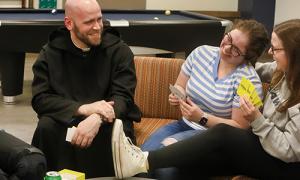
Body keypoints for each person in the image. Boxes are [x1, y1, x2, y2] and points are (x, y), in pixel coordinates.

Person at [111, 19, 300, 179]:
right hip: (256, 142)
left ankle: (143, 160)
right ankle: (141, 162)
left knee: (218, 136)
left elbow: (287, 151)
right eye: (228, 39)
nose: (270, 54)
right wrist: (239, 64)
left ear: (294, 55)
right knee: (161, 165)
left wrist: (256, 119)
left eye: (275, 49)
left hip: (281, 163)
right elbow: (258, 69)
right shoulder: (281, 71)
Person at [141, 19, 269, 179]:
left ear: (248, 56)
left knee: (165, 165)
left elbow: (239, 127)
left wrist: (201, 117)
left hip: (212, 138)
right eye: (228, 38)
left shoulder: (248, 80)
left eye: (236, 49)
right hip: (183, 124)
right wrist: (177, 95)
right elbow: (180, 85)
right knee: (142, 158)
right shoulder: (201, 53)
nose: (226, 47)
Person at [31, 0, 140, 178]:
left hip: (108, 123)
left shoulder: (119, 51)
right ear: (69, 23)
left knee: (114, 130)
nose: (97, 27)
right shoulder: (50, 54)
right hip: (66, 120)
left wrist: (97, 118)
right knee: (46, 126)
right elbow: (41, 99)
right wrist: (84, 109)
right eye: (89, 22)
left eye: (99, 19)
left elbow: (123, 99)